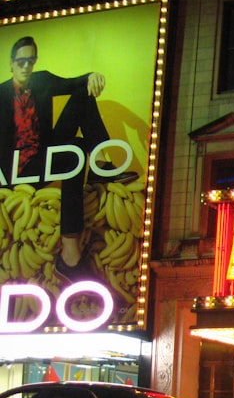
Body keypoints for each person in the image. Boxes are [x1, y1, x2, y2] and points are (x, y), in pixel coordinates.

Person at [0, 36, 138, 278]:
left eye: (30, 61)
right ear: (11, 64)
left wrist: (92, 76)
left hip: (44, 154)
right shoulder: (1, 94)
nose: (25, 67)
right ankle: (70, 255)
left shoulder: (41, 80)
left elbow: (73, 83)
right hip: (17, 169)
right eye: (21, 62)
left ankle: (100, 166)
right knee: (73, 154)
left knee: (82, 99)